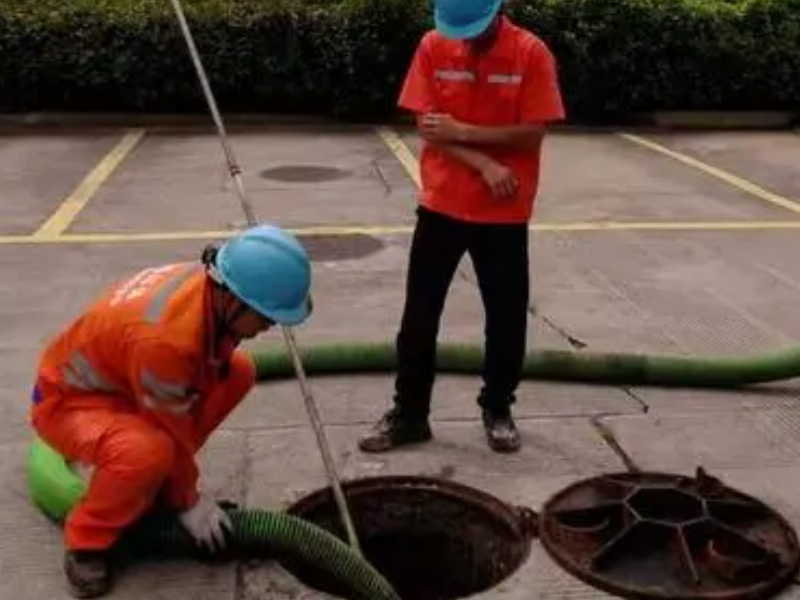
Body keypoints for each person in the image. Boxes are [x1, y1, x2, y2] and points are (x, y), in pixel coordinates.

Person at [30, 225, 312, 598]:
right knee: (148, 451)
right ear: (234, 298)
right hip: (70, 403)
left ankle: (154, 485)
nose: (268, 327)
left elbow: (182, 401)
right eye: (264, 316)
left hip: (128, 384)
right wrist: (188, 500)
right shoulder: (165, 341)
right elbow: (173, 425)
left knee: (238, 372)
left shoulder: (210, 291)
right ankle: (88, 540)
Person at [359, 0, 565, 454]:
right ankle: (410, 415)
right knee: (419, 316)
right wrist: (484, 162)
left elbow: (533, 132)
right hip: (442, 204)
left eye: (474, 29)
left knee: (507, 316)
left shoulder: (531, 53)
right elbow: (429, 127)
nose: (466, 39)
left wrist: (465, 132)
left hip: (505, 212)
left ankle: (498, 408)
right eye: (460, 31)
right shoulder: (434, 45)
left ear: (498, 11)